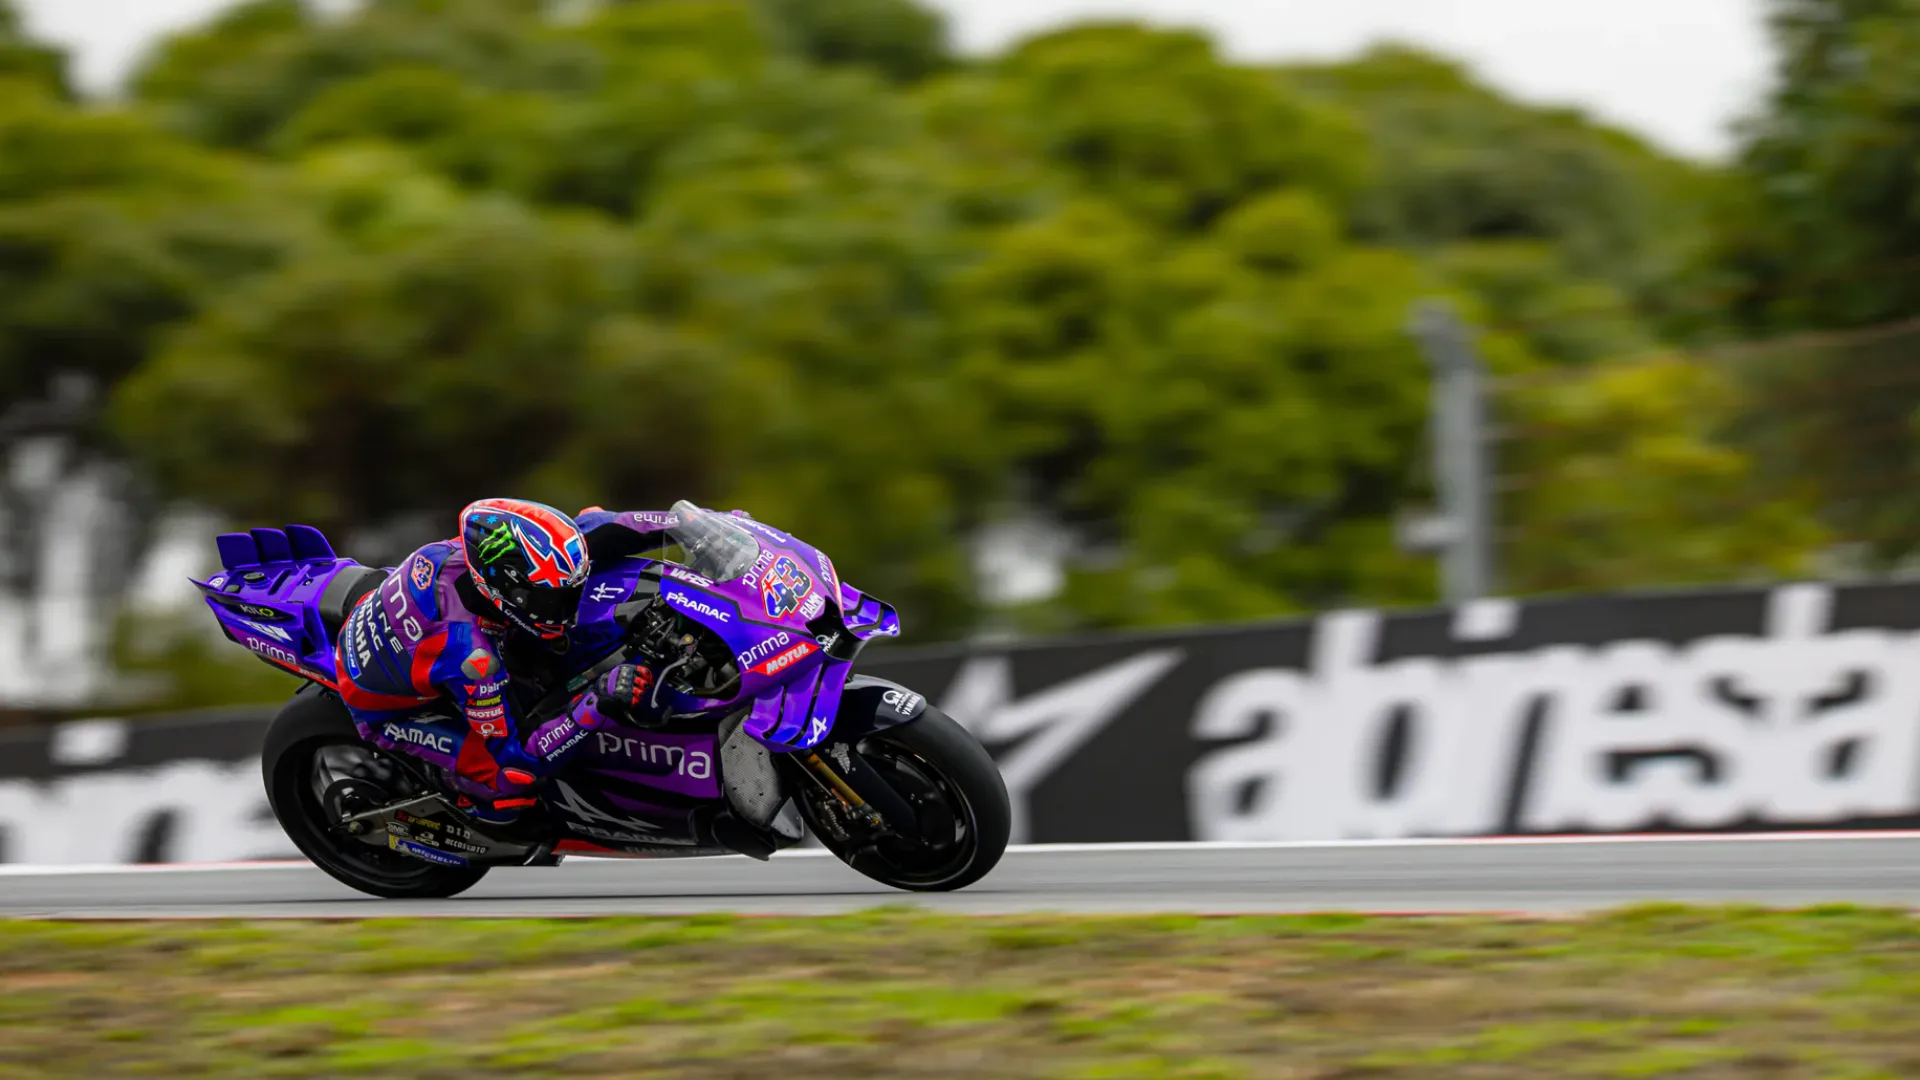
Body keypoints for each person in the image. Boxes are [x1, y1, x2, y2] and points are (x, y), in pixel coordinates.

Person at [332, 497, 656, 825]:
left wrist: (696, 524)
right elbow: (521, 756)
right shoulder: (473, 658)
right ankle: (463, 799)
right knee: (514, 783)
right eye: (553, 599)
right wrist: (596, 701)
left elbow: (598, 527)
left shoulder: (487, 555)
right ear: (509, 592)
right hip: (389, 707)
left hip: (407, 635)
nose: (566, 607)